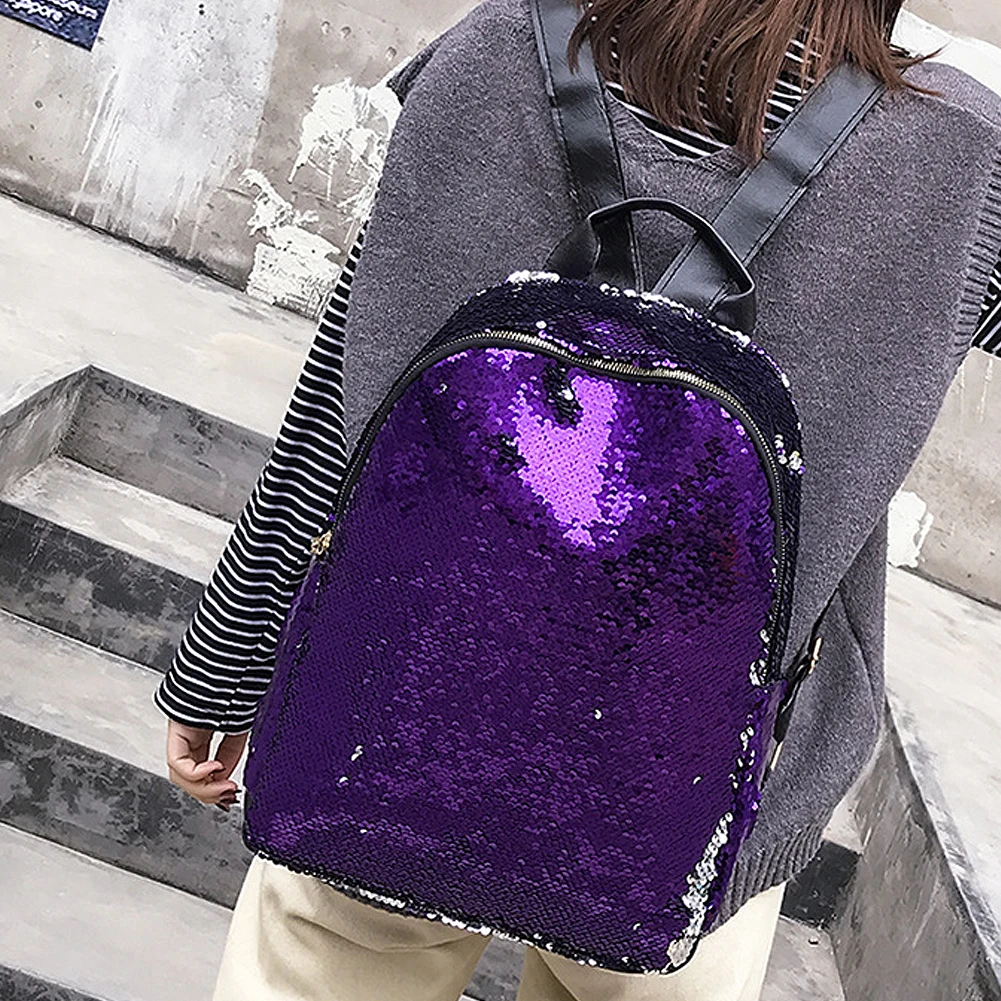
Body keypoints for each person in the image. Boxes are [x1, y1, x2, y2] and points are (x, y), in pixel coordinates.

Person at [155, 0, 1001, 998]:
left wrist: (225, 662)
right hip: (695, 796)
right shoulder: (958, 157)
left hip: (386, 713)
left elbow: (345, 395)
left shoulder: (499, 47)